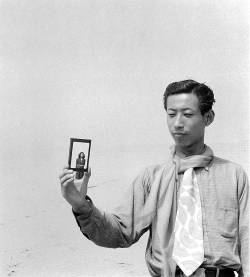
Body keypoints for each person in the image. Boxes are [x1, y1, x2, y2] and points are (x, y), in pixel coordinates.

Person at [59, 80, 249, 277]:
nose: (177, 123)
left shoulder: (233, 175)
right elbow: (120, 233)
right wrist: (81, 206)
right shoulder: (151, 179)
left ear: (208, 117)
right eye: (171, 114)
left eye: (188, 114)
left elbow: (248, 240)